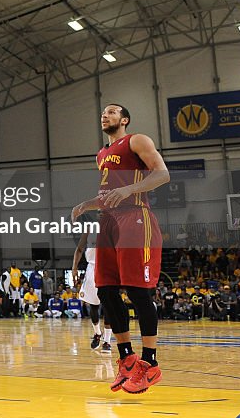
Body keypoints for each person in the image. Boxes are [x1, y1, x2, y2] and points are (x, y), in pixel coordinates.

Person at [72, 103, 169, 394]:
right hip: (108, 222)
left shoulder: (137, 140)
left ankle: (150, 364)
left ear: (124, 120)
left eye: (112, 112)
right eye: (102, 112)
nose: (105, 115)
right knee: (105, 291)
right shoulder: (101, 154)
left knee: (138, 291)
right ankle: (127, 359)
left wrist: (128, 190)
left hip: (135, 216)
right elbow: (108, 194)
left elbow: (162, 174)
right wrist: (86, 205)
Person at [72, 220, 112, 354]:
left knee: (109, 307)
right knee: (93, 306)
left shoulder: (114, 228)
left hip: (108, 269)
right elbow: (79, 249)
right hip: (92, 269)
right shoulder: (89, 228)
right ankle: (97, 333)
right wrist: (74, 268)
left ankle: (107, 341)